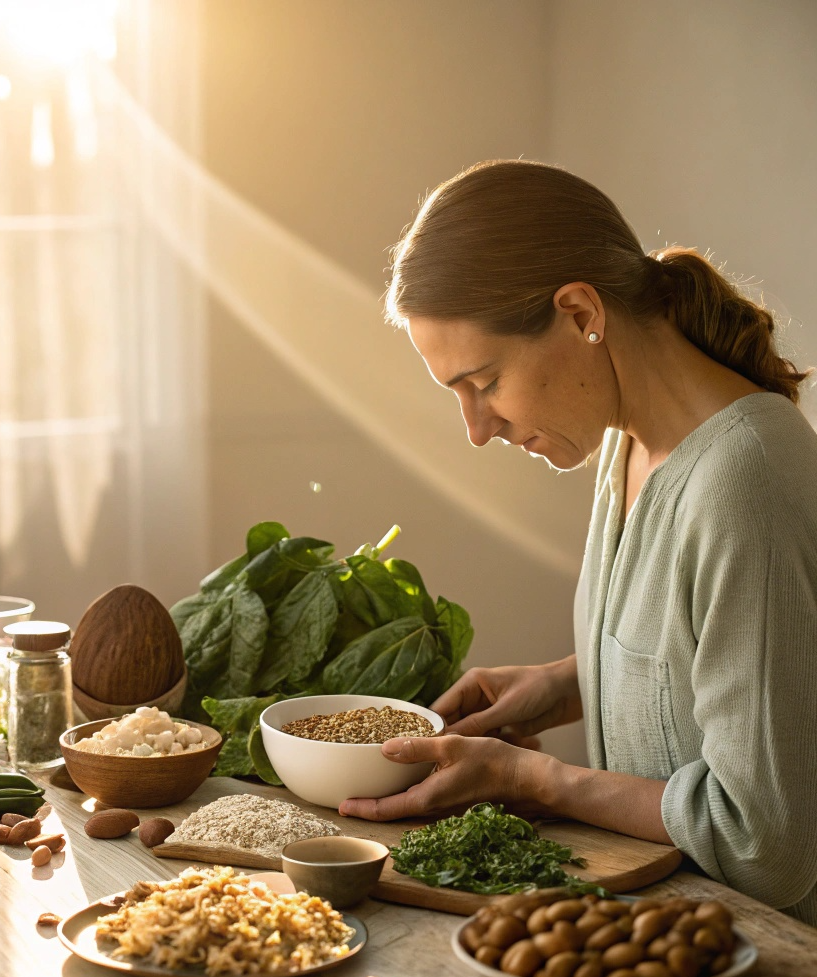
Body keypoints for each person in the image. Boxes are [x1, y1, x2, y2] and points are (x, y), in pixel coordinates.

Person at [338, 159, 817, 926]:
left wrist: (536, 779)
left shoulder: (745, 480)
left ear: (580, 314)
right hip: (657, 928)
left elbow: (764, 840)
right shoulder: (625, 442)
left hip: (760, 968)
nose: (477, 429)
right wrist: (571, 679)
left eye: (484, 382)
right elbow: (728, 660)